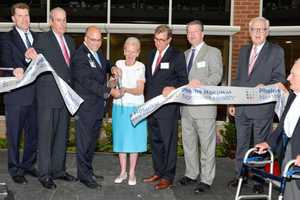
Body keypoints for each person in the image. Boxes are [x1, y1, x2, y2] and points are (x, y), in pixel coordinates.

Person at [228, 16, 286, 191]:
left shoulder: (276, 51)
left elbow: (280, 78)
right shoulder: (244, 50)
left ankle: (259, 181)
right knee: (241, 144)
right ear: (250, 32)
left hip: (262, 107)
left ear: (267, 32)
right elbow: (238, 78)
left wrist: (266, 87)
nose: (257, 33)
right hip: (242, 107)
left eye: (261, 30)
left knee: (260, 145)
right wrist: (233, 101)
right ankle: (241, 176)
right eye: (254, 29)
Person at [28, 7, 77, 189]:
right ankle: (45, 174)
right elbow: (32, 57)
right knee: (46, 137)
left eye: (64, 20)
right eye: (58, 20)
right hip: (47, 97)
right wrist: (29, 56)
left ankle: (58, 170)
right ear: (51, 21)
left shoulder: (71, 42)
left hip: (65, 98)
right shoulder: (42, 39)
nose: (62, 23)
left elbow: (73, 67)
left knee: (61, 136)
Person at [178, 20, 223, 193]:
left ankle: (206, 179)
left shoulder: (213, 52)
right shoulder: (185, 54)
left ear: (202, 34)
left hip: (204, 107)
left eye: (195, 31)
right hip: (187, 107)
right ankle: (191, 173)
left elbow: (217, 75)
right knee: (188, 144)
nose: (191, 35)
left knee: (206, 146)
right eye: (188, 32)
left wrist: (201, 83)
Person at [143, 25, 188, 190]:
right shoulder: (151, 54)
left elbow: (184, 80)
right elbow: (149, 80)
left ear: (169, 39)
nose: (158, 43)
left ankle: (168, 177)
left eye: (162, 40)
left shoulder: (177, 56)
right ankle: (158, 171)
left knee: (168, 144)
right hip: (152, 107)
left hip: (168, 109)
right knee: (155, 142)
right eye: (156, 39)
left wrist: (174, 88)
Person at [0, 2, 38, 184]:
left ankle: (28, 165)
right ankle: (15, 169)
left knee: (33, 134)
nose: (25, 19)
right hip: (16, 96)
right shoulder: (6, 38)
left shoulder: (38, 38)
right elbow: (6, 62)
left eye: (27, 15)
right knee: (14, 136)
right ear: (14, 19)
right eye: (21, 16)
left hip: (36, 96)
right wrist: (18, 64)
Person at [71, 26, 111, 189]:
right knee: (84, 143)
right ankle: (84, 176)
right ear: (85, 38)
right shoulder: (79, 56)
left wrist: (112, 67)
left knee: (91, 142)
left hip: (97, 107)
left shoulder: (97, 52)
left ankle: (88, 171)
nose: (96, 43)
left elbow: (104, 65)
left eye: (99, 39)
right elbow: (87, 81)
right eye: (93, 39)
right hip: (86, 107)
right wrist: (108, 91)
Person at [256, 59, 300, 199]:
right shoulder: (293, 95)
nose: (288, 78)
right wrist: (268, 142)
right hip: (289, 148)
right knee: (289, 191)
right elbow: (282, 125)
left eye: (293, 74)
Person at [111, 37, 147, 186]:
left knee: (134, 142)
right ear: (124, 50)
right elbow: (112, 83)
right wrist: (113, 80)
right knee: (121, 141)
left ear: (138, 53)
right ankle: (122, 171)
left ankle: (131, 172)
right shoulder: (118, 64)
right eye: (128, 51)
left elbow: (140, 90)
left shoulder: (141, 66)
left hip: (136, 109)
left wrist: (125, 89)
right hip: (119, 107)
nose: (131, 54)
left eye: (134, 51)